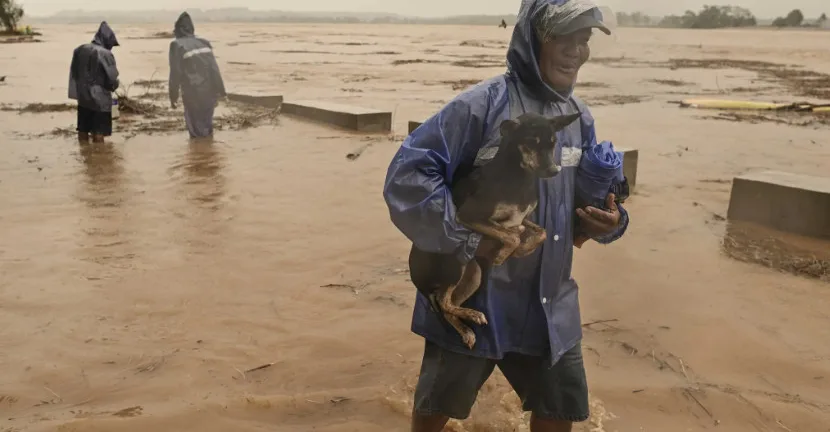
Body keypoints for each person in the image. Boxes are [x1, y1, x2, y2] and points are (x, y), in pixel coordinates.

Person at [381, 1, 629, 431]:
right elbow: (408, 178)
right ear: (533, 40)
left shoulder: (578, 119)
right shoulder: (481, 105)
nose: (575, 51)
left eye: (583, 41)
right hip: (475, 296)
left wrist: (609, 223)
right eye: (562, 39)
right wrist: (469, 241)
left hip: (551, 303)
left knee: (560, 412)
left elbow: (579, 204)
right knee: (435, 413)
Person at [168, 12, 227, 139]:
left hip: (192, 93)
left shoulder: (176, 45)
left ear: (178, 30)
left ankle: (200, 156)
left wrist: (173, 97)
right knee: (207, 127)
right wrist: (222, 92)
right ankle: (208, 154)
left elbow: (175, 75)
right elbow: (214, 70)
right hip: (209, 93)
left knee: (195, 131)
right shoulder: (204, 43)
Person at [68, 21, 120, 144]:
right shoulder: (105, 54)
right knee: (99, 132)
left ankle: (85, 156)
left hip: (83, 98)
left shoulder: (79, 50)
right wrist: (114, 86)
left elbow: (74, 73)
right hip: (99, 101)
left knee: (83, 130)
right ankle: (99, 158)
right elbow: (112, 78)